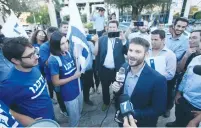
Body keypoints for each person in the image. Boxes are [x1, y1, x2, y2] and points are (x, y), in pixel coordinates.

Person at [112, 37, 167, 127]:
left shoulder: (158, 79)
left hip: (143, 123)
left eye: (138, 52)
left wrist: (131, 114)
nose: (132, 55)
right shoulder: (124, 67)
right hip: (122, 120)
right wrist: (117, 89)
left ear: (146, 54)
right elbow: (121, 94)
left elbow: (158, 110)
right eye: (130, 50)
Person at [0, 37, 54, 120]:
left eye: (35, 52)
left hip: (50, 116)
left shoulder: (33, 65)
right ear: (16, 60)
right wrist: (28, 122)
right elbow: (4, 110)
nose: (36, 57)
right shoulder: (9, 85)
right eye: (30, 56)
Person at [48, 31, 82, 127]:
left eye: (66, 42)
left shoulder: (68, 53)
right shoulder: (53, 60)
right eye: (62, 44)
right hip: (69, 94)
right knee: (74, 118)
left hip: (78, 88)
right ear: (55, 45)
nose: (66, 45)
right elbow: (56, 82)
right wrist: (73, 77)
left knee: (78, 113)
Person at [96, 20, 128, 111]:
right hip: (104, 70)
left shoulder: (121, 39)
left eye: (114, 27)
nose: (112, 29)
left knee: (118, 88)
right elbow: (98, 55)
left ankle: (117, 103)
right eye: (110, 27)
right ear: (107, 28)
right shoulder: (102, 39)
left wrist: (124, 41)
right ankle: (106, 102)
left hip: (117, 70)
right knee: (105, 88)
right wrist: (97, 69)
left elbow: (127, 52)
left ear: (117, 28)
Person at [39, 27, 69, 117]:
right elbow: (46, 63)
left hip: (64, 73)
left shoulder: (62, 43)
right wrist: (54, 53)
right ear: (48, 37)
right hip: (52, 76)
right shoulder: (44, 47)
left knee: (65, 92)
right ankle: (63, 109)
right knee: (59, 93)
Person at [166, 55, 201, 127]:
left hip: (197, 106)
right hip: (184, 98)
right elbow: (186, 76)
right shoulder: (196, 58)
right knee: (179, 117)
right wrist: (178, 93)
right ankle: (177, 123)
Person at [164, 17, 189, 116]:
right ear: (174, 25)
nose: (180, 29)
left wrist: (163, 54)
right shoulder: (165, 36)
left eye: (183, 27)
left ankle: (167, 108)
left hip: (173, 70)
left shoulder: (185, 41)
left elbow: (176, 57)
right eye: (178, 26)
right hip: (158, 67)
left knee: (169, 91)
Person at [148, 30, 176, 117]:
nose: (153, 42)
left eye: (156, 40)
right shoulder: (147, 51)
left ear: (163, 40)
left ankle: (164, 110)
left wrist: (155, 78)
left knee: (160, 102)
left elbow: (170, 74)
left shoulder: (170, 55)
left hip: (163, 85)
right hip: (148, 84)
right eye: (151, 39)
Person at [81, 28, 99, 105]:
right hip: (77, 70)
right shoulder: (74, 43)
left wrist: (96, 41)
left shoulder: (89, 43)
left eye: (85, 32)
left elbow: (94, 53)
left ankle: (86, 99)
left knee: (87, 85)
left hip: (88, 69)